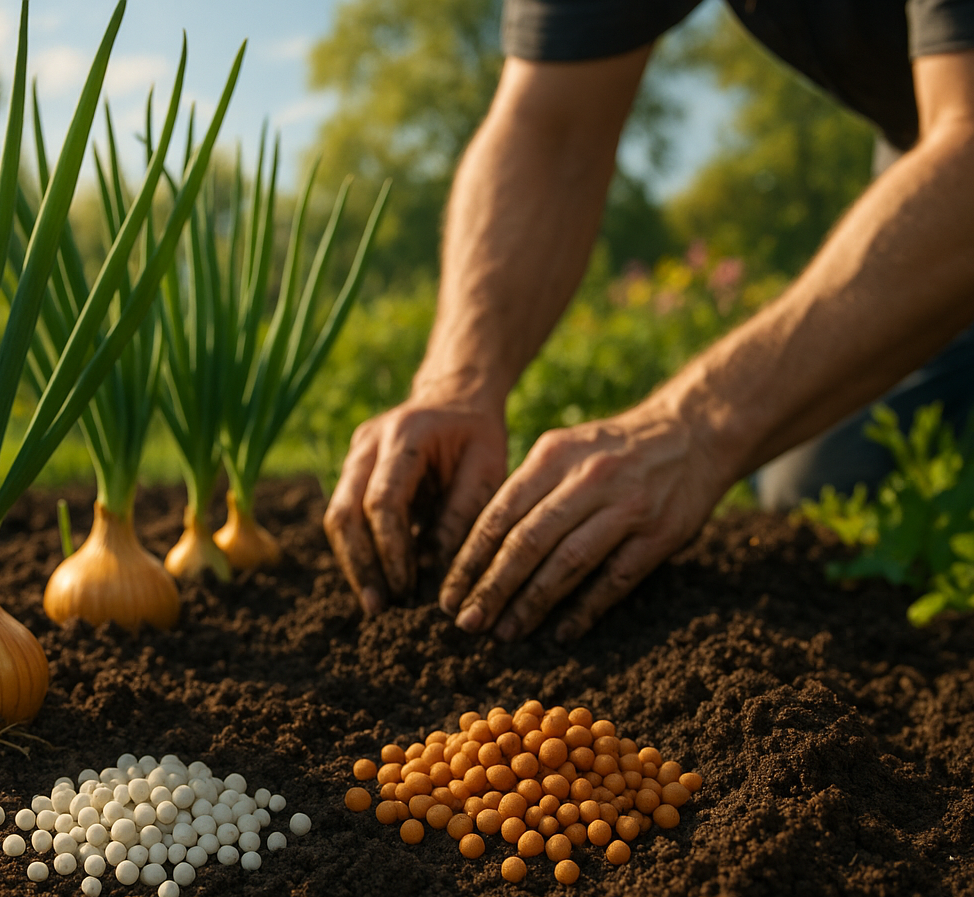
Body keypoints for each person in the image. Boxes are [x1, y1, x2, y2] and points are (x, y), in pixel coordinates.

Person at [324, 0, 974, 643]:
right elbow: (553, 126)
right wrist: (458, 380)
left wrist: (696, 425)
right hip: (935, 154)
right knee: (830, 484)